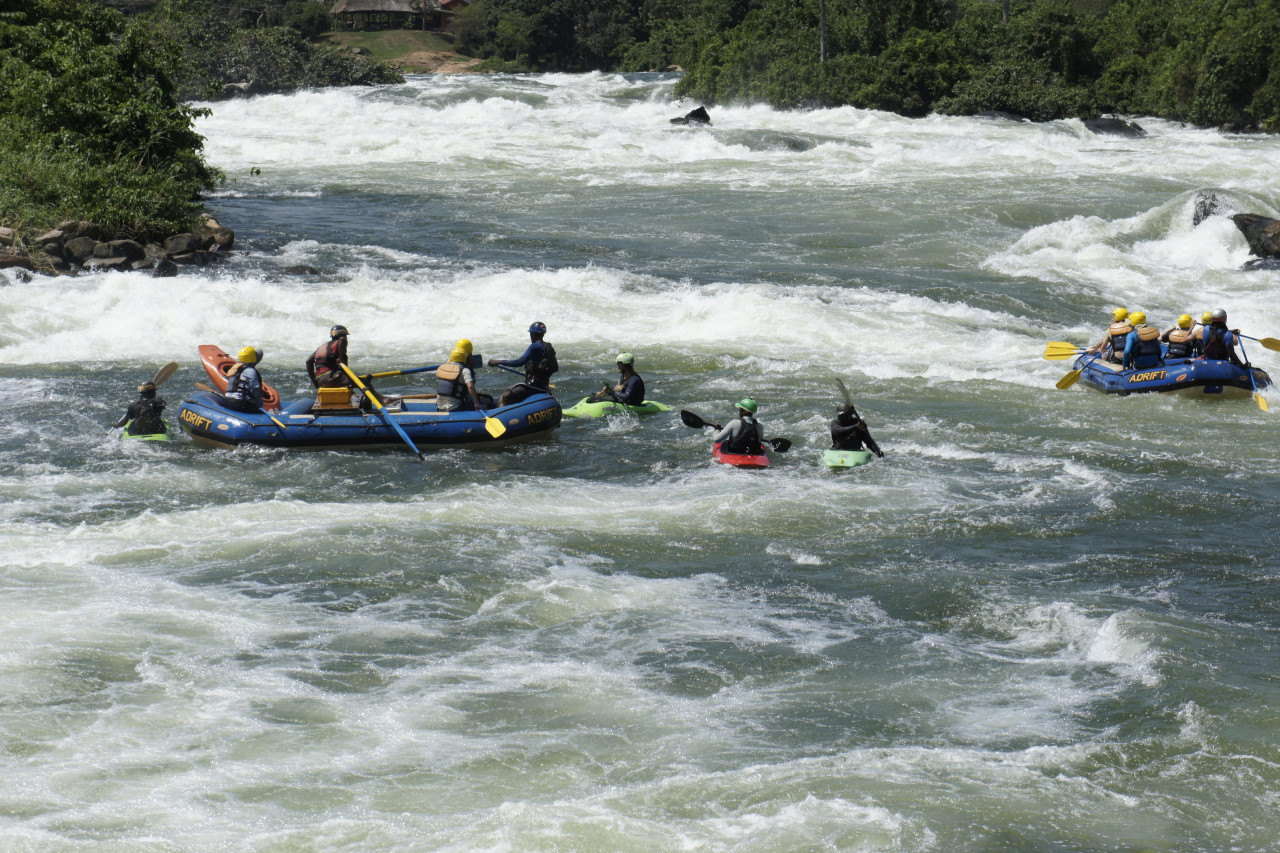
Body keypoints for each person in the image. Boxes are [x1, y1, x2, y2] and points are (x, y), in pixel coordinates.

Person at [489, 321, 557, 406]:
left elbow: (520, 362)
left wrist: (499, 362)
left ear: (533, 334)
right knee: (512, 389)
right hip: (544, 385)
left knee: (506, 395)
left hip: (533, 386)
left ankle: (500, 415)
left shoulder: (535, 346)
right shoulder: (548, 347)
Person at [436, 339, 493, 412]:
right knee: (488, 401)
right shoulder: (464, 370)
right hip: (455, 406)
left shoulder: (441, 368)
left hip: (439, 405)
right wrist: (476, 403)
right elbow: (470, 386)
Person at [223, 346, 265, 413]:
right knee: (259, 412)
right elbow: (255, 389)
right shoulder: (250, 371)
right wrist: (259, 404)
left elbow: (260, 353)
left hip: (228, 401)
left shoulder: (236, 368)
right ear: (253, 358)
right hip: (240, 403)